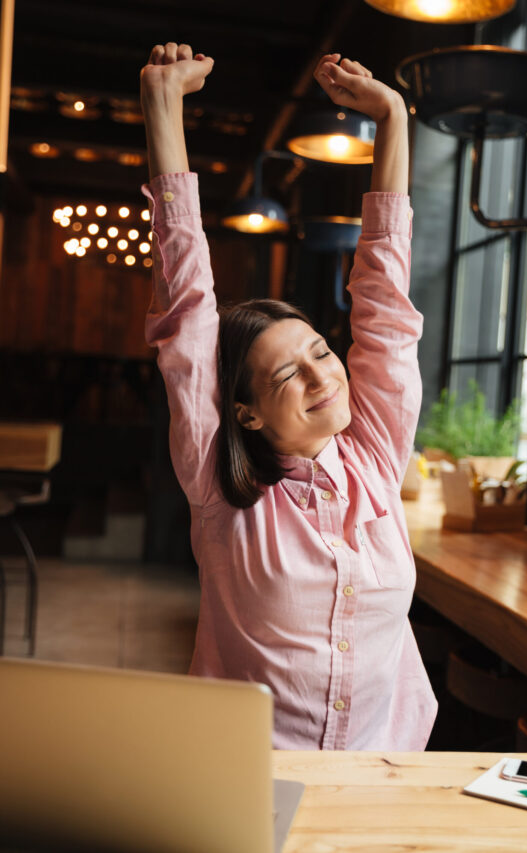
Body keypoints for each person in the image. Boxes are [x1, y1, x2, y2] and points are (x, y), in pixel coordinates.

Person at [140, 42, 437, 750]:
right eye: (286, 376)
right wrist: (161, 104)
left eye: (321, 351)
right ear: (244, 412)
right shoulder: (220, 485)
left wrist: (394, 117)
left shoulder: (374, 459)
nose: (323, 375)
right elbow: (187, 311)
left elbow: (385, 309)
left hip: (378, 780)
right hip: (250, 786)